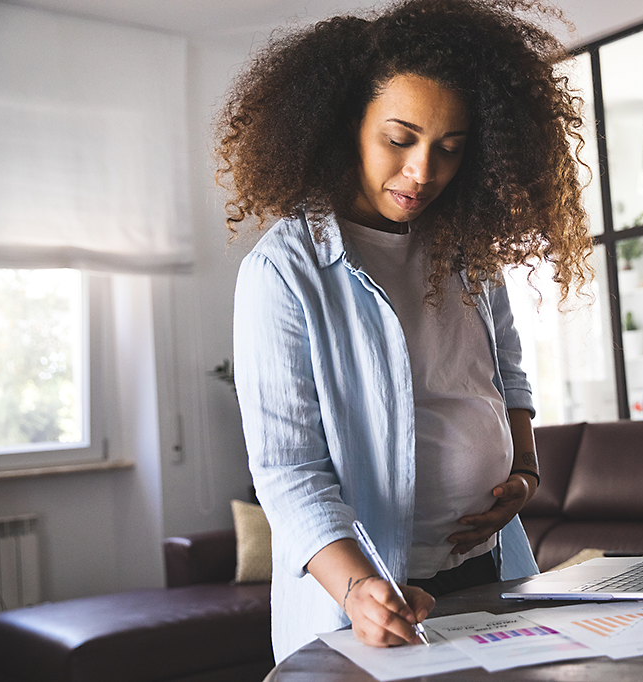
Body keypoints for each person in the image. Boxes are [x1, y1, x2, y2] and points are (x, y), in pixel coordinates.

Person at [215, 0, 592, 662]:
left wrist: (526, 471)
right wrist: (359, 587)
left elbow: (507, 372)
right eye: (400, 140)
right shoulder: (282, 272)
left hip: (493, 566)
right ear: (346, 127)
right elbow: (288, 471)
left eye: (449, 149)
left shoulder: (468, 250)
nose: (423, 173)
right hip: (374, 594)